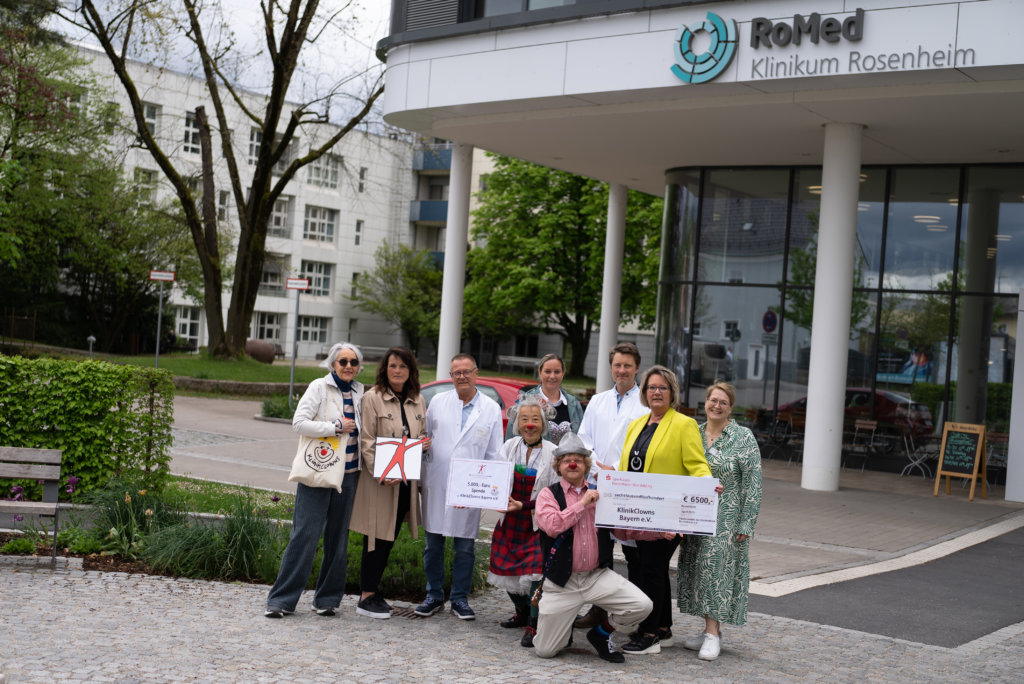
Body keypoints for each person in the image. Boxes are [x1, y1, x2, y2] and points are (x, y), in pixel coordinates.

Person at [617, 364, 715, 655]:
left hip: (668, 514)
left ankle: (649, 636)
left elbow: (697, 464)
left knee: (651, 569)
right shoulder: (637, 423)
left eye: (662, 387)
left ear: (672, 392)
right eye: (651, 387)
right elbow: (628, 467)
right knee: (652, 569)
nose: (656, 392)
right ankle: (663, 628)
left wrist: (707, 485)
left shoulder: (683, 424)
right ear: (644, 392)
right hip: (637, 512)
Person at [533, 433, 653, 664]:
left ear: (586, 465)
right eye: (567, 459)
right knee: (546, 650)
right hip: (562, 582)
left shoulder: (602, 494)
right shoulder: (548, 494)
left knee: (641, 605)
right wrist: (582, 504)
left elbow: (623, 531)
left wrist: (657, 532)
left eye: (578, 459)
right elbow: (552, 526)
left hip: (596, 576)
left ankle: (601, 634)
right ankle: (563, 625)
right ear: (558, 466)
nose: (572, 464)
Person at [265, 342, 363, 618]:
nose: (348, 366)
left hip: (350, 475)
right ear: (333, 364)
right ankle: (281, 601)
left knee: (338, 540)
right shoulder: (319, 387)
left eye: (353, 362)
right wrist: (334, 427)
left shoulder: (360, 392)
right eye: (343, 361)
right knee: (304, 536)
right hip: (319, 471)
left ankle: (327, 600)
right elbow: (299, 423)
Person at [677, 382, 762, 661]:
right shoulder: (694, 432)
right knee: (698, 572)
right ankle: (708, 630)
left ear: (731, 407)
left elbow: (753, 483)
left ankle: (713, 635)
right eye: (713, 400)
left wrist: (747, 522)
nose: (717, 406)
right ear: (705, 402)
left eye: (723, 402)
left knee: (716, 573)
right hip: (695, 515)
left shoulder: (742, 437)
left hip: (727, 517)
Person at [416, 353, 504, 620]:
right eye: (457, 373)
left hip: (470, 486)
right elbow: (425, 438)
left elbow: (494, 453)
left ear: (476, 373)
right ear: (451, 376)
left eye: (467, 371)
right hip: (437, 481)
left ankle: (459, 598)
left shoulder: (490, 408)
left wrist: (490, 490)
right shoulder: (438, 402)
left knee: (465, 547)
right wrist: (421, 458)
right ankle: (433, 595)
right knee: (433, 545)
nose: (462, 377)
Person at [350, 347, 430, 619]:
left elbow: (420, 433)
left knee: (390, 535)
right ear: (385, 369)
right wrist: (380, 473)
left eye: (403, 366)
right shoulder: (372, 398)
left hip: (405, 481)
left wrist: (424, 443)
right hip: (381, 481)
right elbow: (367, 440)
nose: (397, 371)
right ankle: (366, 596)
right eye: (393, 366)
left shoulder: (417, 399)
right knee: (375, 537)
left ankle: (372, 591)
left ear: (411, 371)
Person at [574, 342, 648, 628]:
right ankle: (599, 612)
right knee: (599, 551)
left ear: (637, 368)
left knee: (633, 554)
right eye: (617, 365)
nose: (622, 370)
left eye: (627, 365)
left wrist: (618, 469)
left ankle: (638, 616)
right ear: (611, 367)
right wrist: (596, 466)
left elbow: (645, 443)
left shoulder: (644, 403)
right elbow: (584, 439)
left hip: (628, 485)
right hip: (597, 484)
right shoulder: (598, 400)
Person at [488, 395, 559, 647]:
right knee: (504, 567)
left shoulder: (553, 453)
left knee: (535, 574)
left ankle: (534, 623)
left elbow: (554, 495)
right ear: (517, 423)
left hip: (536, 522)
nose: (530, 424)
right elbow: (493, 479)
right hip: (509, 520)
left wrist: (525, 505)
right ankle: (521, 612)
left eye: (535, 419)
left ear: (544, 423)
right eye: (524, 419)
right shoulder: (508, 446)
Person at [505, 353, 583, 444]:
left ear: (563, 373)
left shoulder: (574, 403)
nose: (552, 376)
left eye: (557, 372)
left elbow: (582, 438)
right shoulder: (525, 401)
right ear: (540, 372)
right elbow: (511, 440)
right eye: (548, 371)